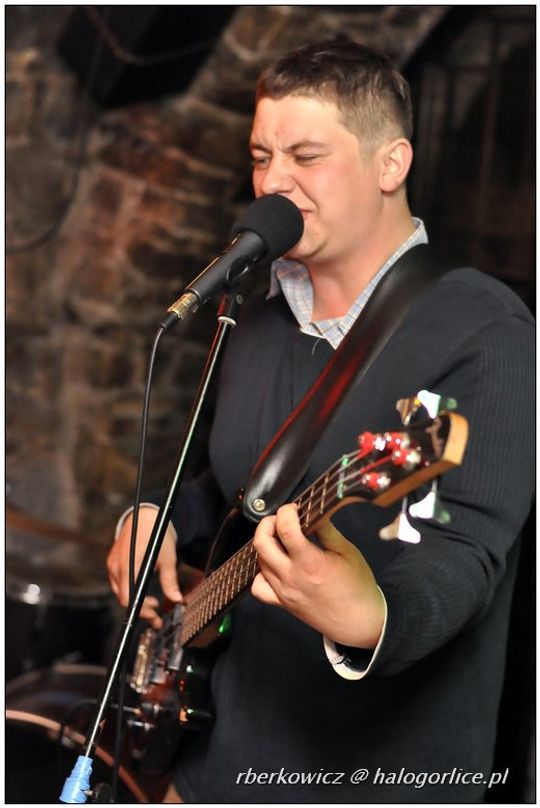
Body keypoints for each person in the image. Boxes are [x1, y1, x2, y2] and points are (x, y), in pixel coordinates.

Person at [107, 37, 534, 803]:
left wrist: (372, 616)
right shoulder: (258, 314)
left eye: (306, 155)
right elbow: (230, 487)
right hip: (210, 764)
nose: (274, 181)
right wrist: (161, 520)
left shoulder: (484, 331)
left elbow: (465, 552)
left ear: (390, 164)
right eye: (261, 156)